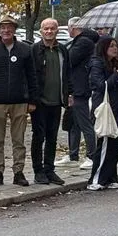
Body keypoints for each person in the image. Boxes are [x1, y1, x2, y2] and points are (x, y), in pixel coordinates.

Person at [0, 17, 38, 186]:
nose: (6, 31)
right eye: (3, 28)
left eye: (9, 27)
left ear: (14, 30)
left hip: (20, 101)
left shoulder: (25, 49)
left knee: (18, 139)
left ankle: (18, 172)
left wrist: (32, 99)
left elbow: (32, 76)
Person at [31, 18, 69, 185]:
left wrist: (69, 93)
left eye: (52, 28)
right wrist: (31, 99)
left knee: (52, 137)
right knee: (38, 136)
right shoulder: (35, 50)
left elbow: (67, 73)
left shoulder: (62, 50)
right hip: (40, 102)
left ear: (57, 31)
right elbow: (30, 75)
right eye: (46, 29)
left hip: (57, 101)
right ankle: (38, 171)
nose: (49, 31)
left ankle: (49, 169)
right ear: (41, 31)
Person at [87, 37, 118, 191]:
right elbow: (101, 85)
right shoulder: (97, 63)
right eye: (111, 46)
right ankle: (96, 178)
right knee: (104, 144)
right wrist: (117, 75)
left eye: (116, 46)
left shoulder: (115, 64)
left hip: (116, 108)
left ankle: (110, 177)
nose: (115, 49)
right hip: (104, 108)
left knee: (114, 146)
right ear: (103, 48)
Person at [66, 17, 101, 171]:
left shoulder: (83, 42)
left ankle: (92, 156)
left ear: (73, 27)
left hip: (79, 87)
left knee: (84, 123)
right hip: (75, 86)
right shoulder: (81, 41)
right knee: (73, 123)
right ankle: (73, 155)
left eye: (69, 28)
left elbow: (69, 60)